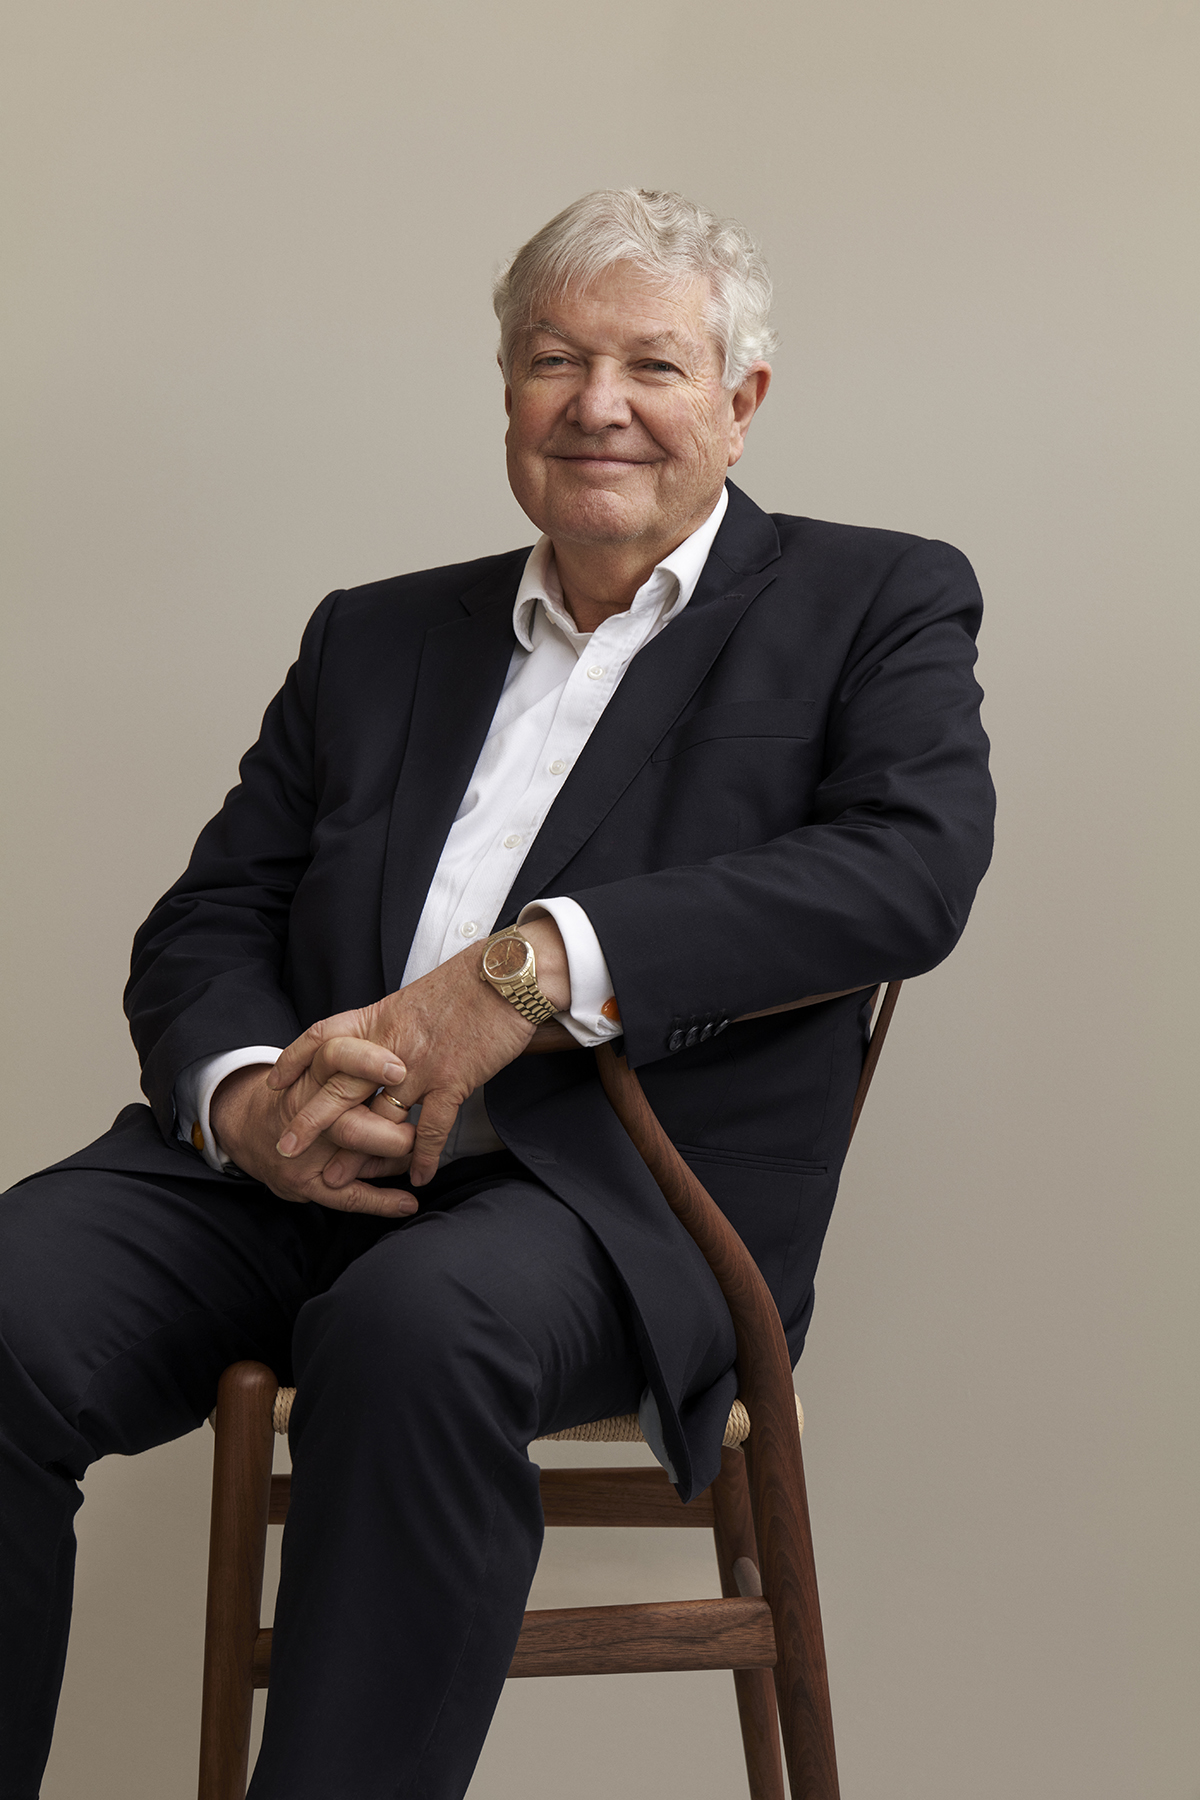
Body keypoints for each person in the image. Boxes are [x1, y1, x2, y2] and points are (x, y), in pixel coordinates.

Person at [0, 188, 994, 1799]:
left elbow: (909, 871)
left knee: (412, 1332)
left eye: (652, 367)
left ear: (739, 405)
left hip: (612, 1195)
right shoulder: (375, 634)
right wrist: (250, 1098)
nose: (597, 405)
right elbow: (209, 917)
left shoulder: (871, 601)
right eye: (553, 360)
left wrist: (528, 974)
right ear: (508, 394)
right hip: (295, 1160)